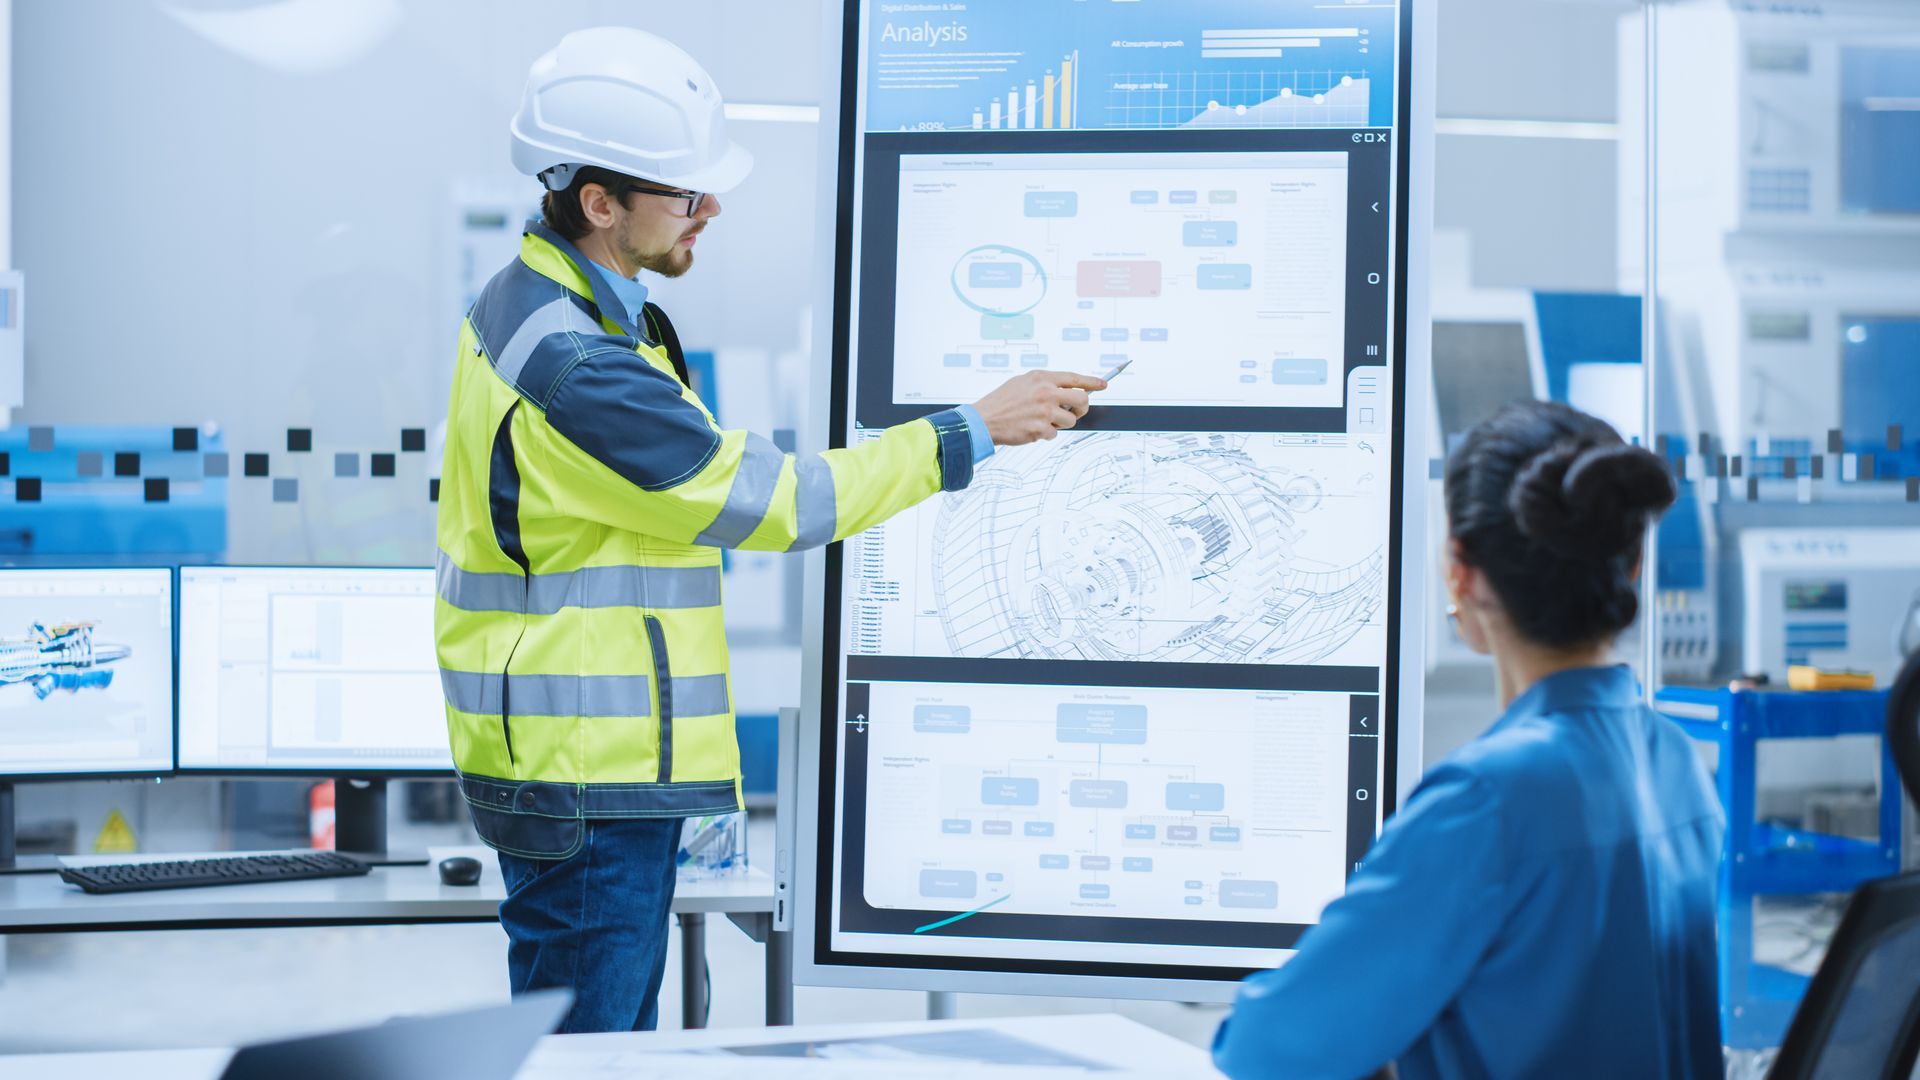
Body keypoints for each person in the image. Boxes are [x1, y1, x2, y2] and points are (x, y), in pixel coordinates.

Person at [432, 26, 1105, 1034]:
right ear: (598, 202)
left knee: (605, 1048)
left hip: (596, 773)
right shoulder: (577, 362)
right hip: (587, 782)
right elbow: (771, 503)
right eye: (684, 193)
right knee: (592, 1059)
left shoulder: (564, 305)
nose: (710, 210)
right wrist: (969, 430)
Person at [1212, 400, 1723, 1079]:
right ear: (1632, 566)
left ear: (1461, 572)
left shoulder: (1491, 800)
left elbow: (1266, 1052)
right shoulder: (1672, 758)